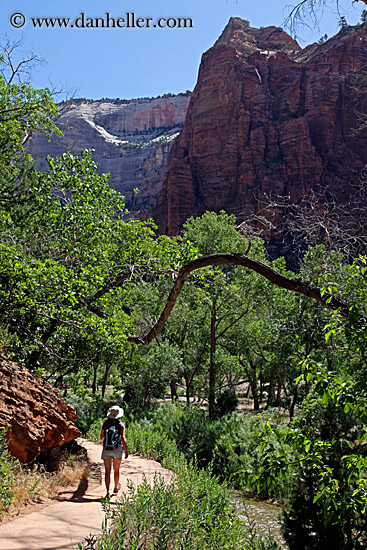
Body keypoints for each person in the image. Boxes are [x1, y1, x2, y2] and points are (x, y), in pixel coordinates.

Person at [100, 405, 128, 499]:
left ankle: (108, 491)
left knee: (107, 471)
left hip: (106, 449)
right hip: (117, 449)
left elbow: (102, 437)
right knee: (116, 470)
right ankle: (115, 487)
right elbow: (123, 438)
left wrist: (106, 445)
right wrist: (126, 450)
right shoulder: (120, 425)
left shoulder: (105, 423)